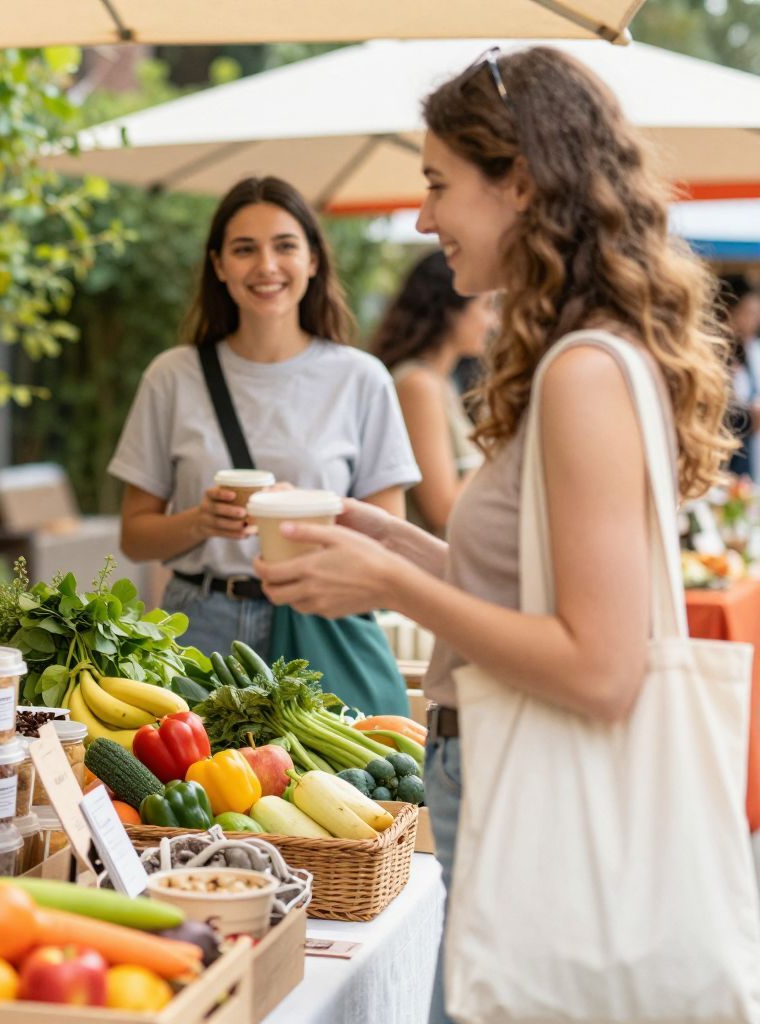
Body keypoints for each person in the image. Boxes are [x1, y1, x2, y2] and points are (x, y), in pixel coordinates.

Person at [252, 47, 734, 1023]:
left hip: (532, 778)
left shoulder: (584, 373)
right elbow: (529, 593)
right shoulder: (582, 356)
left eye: (438, 184)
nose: (425, 218)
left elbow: (599, 666)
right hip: (501, 772)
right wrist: (384, 546)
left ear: (518, 181)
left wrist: (397, 588)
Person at [108, 175, 419, 661]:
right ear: (219, 265)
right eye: (245, 249)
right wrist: (201, 521)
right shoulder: (173, 375)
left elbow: (389, 539)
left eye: (285, 246)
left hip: (320, 617)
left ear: (312, 259)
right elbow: (134, 536)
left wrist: (309, 519)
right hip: (200, 625)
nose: (266, 266)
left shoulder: (361, 379)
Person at [371, 250, 495, 534]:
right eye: (486, 307)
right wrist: (500, 444)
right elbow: (442, 510)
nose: (493, 322)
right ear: (452, 310)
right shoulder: (417, 385)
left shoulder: (442, 383)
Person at [718, 274, 760, 477]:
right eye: (749, 313)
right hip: (722, 463)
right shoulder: (715, 354)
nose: (754, 321)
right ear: (729, 311)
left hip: (745, 459)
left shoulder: (749, 352)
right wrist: (750, 417)